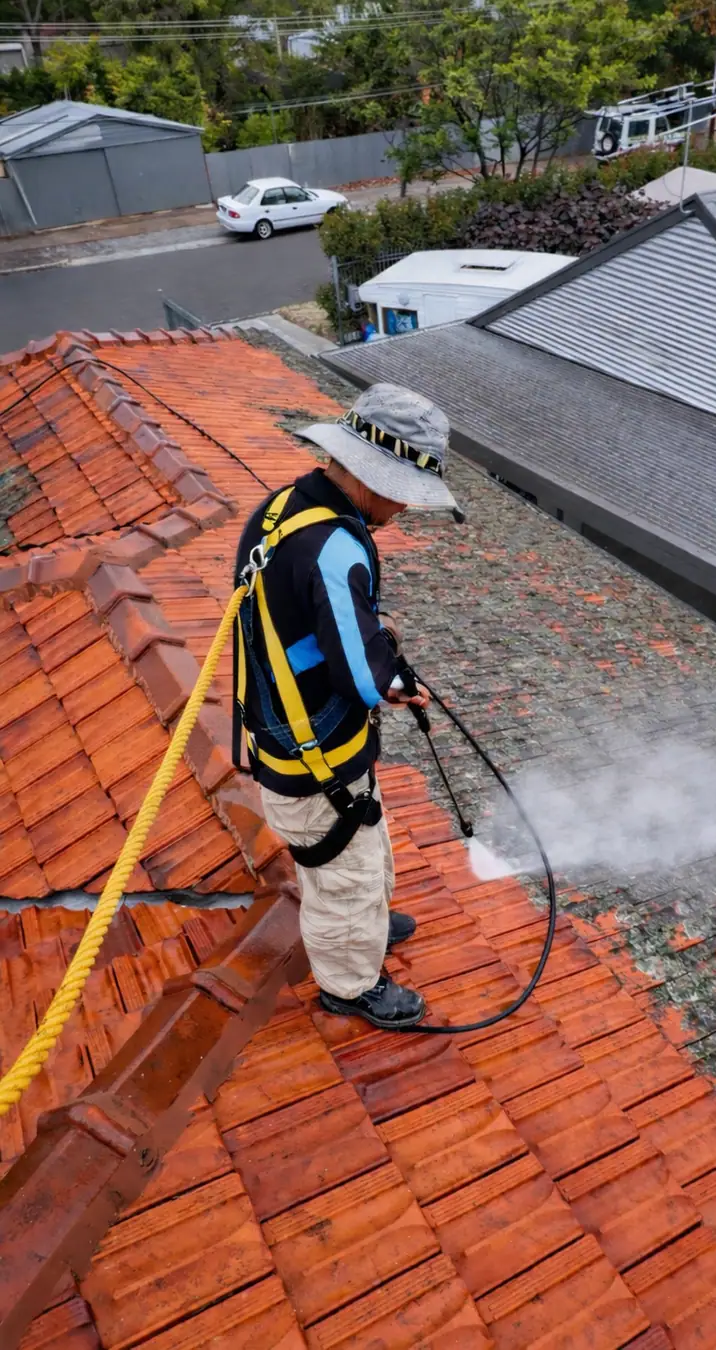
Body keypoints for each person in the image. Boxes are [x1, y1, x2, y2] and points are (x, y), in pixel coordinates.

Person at [233, 383, 458, 1029]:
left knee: (366, 841)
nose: (408, 509)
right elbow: (363, 678)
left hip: (285, 726)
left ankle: (373, 927)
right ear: (370, 474)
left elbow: (301, 622)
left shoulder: (283, 509)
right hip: (314, 751)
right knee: (344, 878)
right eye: (406, 492)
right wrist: (391, 679)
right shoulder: (334, 546)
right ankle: (350, 985)